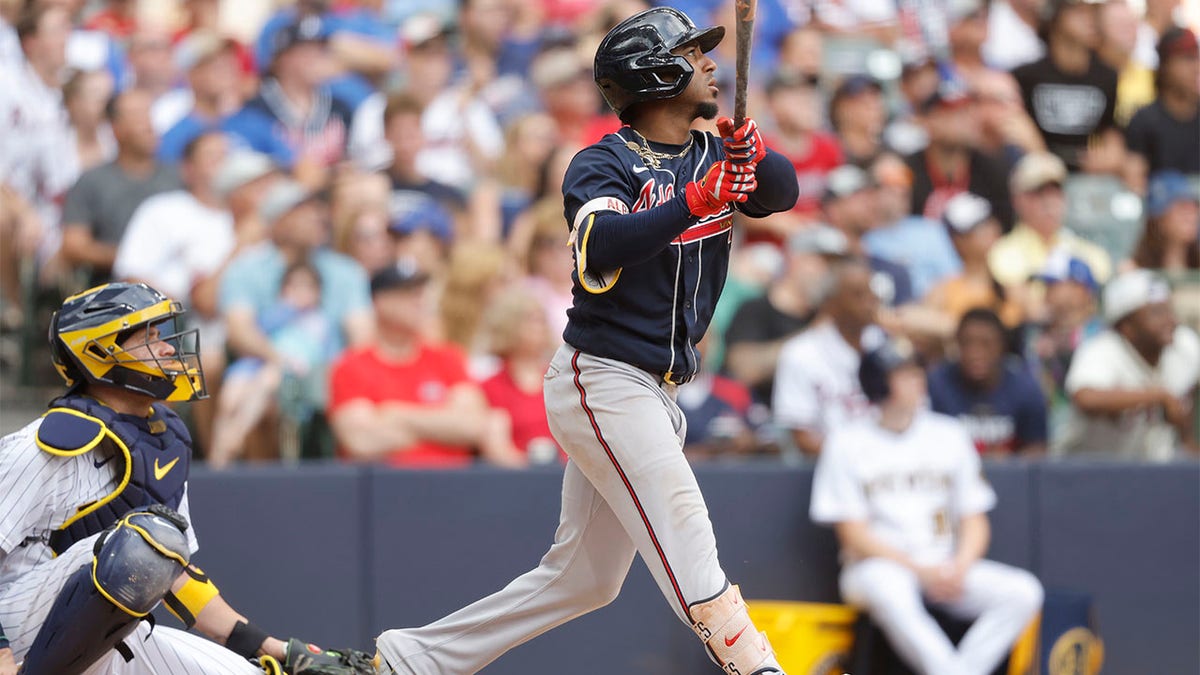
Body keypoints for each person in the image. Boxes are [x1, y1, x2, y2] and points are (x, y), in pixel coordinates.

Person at [374, 7, 799, 674]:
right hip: (601, 376)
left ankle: (416, 658)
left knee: (584, 578)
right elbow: (602, 244)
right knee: (683, 519)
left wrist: (754, 152)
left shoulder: (709, 151)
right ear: (655, 74)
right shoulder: (602, 162)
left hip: (656, 390)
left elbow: (781, 194)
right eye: (694, 53)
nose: (711, 63)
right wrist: (696, 197)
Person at [0, 282, 375, 675]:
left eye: (163, 336)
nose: (167, 349)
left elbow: (173, 573)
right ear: (99, 352)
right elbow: (143, 549)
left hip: (102, 635)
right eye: (149, 338)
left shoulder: (164, 439)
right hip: (17, 629)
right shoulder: (45, 445)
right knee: (140, 540)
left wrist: (276, 647)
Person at [811, 338, 1044, 675]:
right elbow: (853, 536)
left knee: (1023, 592)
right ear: (879, 383)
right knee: (890, 588)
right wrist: (918, 570)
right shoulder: (846, 442)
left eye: (916, 371)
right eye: (903, 374)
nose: (916, 380)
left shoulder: (948, 434)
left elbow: (975, 519)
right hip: (878, 568)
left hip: (944, 565)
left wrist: (960, 566)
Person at [327, 262, 519, 469]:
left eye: (420, 293)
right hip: (384, 488)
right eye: (407, 294)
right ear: (379, 301)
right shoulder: (350, 366)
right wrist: (443, 428)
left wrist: (394, 413)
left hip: (453, 484)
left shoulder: (447, 358)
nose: (419, 302)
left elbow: (474, 424)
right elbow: (362, 440)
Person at [1054, 269, 1200, 460]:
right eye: (1157, 313)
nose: (1170, 320)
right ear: (1127, 326)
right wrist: (1159, 396)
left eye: (1168, 310)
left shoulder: (1184, 344)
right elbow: (1085, 397)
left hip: (1152, 472)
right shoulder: (1103, 350)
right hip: (1087, 472)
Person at [60, 88, 180, 286]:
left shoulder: (178, 177)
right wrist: (131, 259)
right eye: (137, 117)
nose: (149, 125)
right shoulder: (92, 181)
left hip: (177, 288)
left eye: (149, 114)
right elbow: (73, 245)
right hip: (116, 292)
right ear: (115, 128)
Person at [725, 225, 843, 407]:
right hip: (763, 417)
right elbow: (743, 370)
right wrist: (814, 334)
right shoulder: (756, 308)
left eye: (834, 265)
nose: (828, 272)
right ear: (794, 259)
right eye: (822, 261)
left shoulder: (827, 315)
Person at [773, 258, 880, 457]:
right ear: (831, 305)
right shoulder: (800, 353)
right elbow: (802, 437)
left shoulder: (887, 345)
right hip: (828, 472)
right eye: (858, 295)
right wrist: (859, 459)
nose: (870, 302)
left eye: (872, 293)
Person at [1012, 0, 1122, 173]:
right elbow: (1014, 124)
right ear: (1054, 18)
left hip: (1086, 175)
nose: (1090, 19)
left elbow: (1110, 128)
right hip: (1038, 172)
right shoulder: (1026, 76)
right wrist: (1040, 156)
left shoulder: (1107, 77)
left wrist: (1110, 155)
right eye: (1080, 12)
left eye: (1093, 12)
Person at [928, 308, 1049, 456]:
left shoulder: (1026, 389)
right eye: (967, 343)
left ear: (1002, 346)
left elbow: (1037, 449)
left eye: (986, 344)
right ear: (957, 344)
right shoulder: (937, 385)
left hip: (1009, 477)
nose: (976, 353)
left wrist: (1009, 462)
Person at [1123, 26, 1199, 192]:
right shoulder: (1144, 120)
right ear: (1165, 66)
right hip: (1162, 213)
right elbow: (1135, 182)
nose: (1196, 68)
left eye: (1197, 58)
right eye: (1187, 59)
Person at [1127, 170, 1200, 272]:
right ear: (1158, 219)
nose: (1191, 215)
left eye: (1194, 206)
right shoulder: (1133, 271)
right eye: (1181, 207)